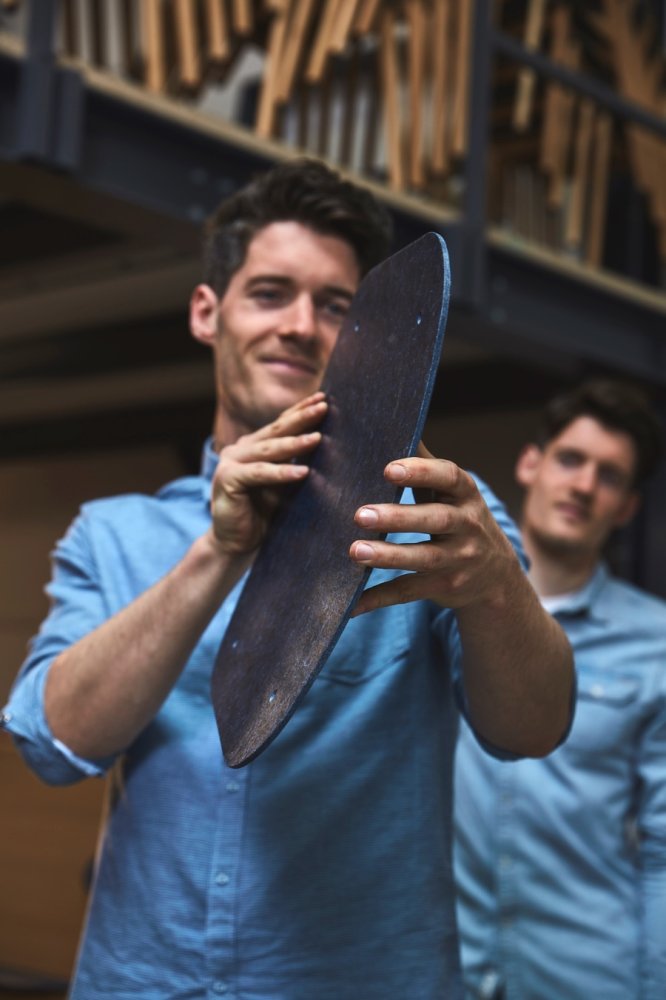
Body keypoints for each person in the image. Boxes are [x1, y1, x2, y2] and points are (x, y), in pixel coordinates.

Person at [2, 158, 573, 1000]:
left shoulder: (444, 522)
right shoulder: (112, 534)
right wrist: (218, 550)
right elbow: (52, 748)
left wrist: (495, 590)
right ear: (208, 312)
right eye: (270, 293)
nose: (302, 327)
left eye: (336, 306)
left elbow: (534, 728)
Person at [454, 378, 666, 1000]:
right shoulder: (443, 611)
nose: (583, 485)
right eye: (571, 459)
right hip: (446, 967)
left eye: (610, 476)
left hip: (585, 974)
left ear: (626, 508)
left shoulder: (657, 642)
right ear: (530, 464)